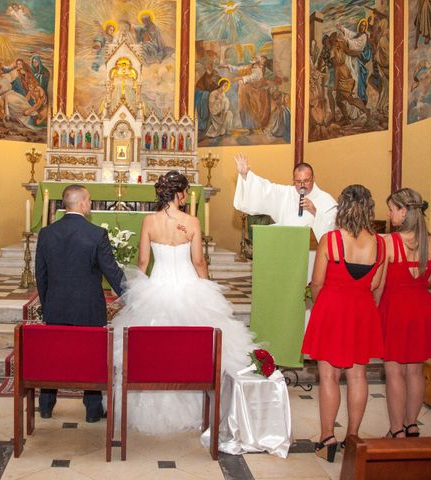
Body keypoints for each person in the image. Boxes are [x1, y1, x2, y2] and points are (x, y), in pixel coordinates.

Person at [112, 171, 257, 435]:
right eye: (184, 193)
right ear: (179, 194)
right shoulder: (190, 222)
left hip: (155, 287)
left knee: (154, 350)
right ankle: (196, 404)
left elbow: (143, 262)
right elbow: (199, 262)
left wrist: (136, 293)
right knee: (196, 347)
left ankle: (152, 405)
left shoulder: (149, 221)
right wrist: (208, 288)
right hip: (189, 286)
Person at [301, 185, 385, 462]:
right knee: (358, 376)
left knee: (329, 376)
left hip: (332, 309)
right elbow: (376, 285)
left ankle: (327, 439)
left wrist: (320, 303)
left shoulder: (331, 239)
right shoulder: (380, 243)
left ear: (343, 207)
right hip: (362, 310)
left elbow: (317, 282)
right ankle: (353, 437)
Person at [35, 184, 125, 423]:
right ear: (83, 203)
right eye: (89, 200)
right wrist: (131, 295)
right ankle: (93, 409)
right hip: (89, 306)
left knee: (53, 356)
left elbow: (40, 275)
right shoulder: (96, 234)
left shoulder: (47, 233)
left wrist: (48, 303)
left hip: (55, 304)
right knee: (92, 356)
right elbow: (112, 272)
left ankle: (46, 405)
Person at [375, 188, 431, 438]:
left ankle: (396, 430)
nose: (388, 213)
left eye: (392, 209)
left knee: (394, 371)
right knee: (415, 371)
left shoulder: (388, 242)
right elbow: (430, 278)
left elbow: (380, 285)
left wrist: (373, 310)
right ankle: (411, 424)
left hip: (395, 309)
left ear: (403, 212)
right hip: (423, 308)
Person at [233, 154, 337, 242]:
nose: (302, 185)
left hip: (311, 253)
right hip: (286, 246)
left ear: (313, 179)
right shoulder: (287, 193)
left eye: (306, 181)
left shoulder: (325, 200)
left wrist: (314, 211)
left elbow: (333, 227)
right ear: (293, 180)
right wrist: (246, 175)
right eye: (297, 181)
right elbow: (266, 190)